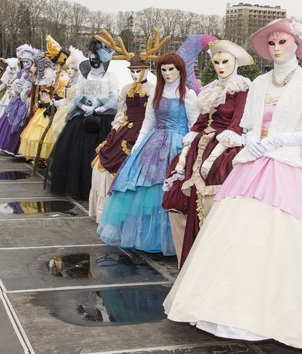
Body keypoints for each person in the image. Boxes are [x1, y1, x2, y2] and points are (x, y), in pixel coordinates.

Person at [163, 18, 302, 351]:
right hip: (254, 164)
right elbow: (250, 124)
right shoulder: (260, 83)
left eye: (282, 42)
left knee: (295, 236)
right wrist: (253, 140)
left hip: (290, 164)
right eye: (271, 43)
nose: (276, 47)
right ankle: (232, 309)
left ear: (297, 44)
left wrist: (275, 142)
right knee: (239, 232)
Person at [97, 52, 199, 256]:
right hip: (153, 143)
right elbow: (148, 122)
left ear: (180, 70)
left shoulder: (188, 94)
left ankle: (170, 239)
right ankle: (145, 235)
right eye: (164, 69)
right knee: (144, 189)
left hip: (178, 145)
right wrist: (137, 148)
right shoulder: (156, 92)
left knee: (167, 189)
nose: (168, 73)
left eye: (172, 69)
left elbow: (195, 124)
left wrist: (188, 149)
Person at [162, 40, 252, 267]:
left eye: (225, 61)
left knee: (216, 200)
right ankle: (192, 260)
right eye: (216, 62)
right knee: (183, 195)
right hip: (200, 146)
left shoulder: (242, 88)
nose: (221, 66)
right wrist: (191, 137)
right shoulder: (211, 88)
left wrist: (215, 153)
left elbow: (238, 123)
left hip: (226, 147)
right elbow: (202, 119)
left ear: (235, 62)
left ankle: (217, 264)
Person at [49, 38, 119, 199]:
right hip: (82, 119)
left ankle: (98, 188)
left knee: (99, 152)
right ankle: (80, 186)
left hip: (104, 119)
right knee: (78, 154)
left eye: (97, 59)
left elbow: (115, 96)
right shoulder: (84, 76)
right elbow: (78, 95)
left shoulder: (110, 76)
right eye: (92, 58)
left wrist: (101, 108)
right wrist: (84, 107)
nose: (94, 62)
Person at [89, 55, 153, 223]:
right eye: (132, 71)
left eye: (138, 71)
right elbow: (120, 113)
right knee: (103, 163)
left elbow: (153, 116)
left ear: (147, 70)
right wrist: (115, 129)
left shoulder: (153, 90)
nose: (135, 75)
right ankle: (106, 211)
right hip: (126, 129)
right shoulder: (126, 89)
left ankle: (130, 216)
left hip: (144, 132)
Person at [0, 45, 41, 156]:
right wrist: (14, 89)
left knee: (21, 121)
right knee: (8, 118)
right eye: (24, 62)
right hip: (16, 99)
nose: (25, 64)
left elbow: (35, 87)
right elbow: (11, 83)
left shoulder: (34, 74)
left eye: (27, 62)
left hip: (26, 101)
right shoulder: (21, 73)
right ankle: (5, 144)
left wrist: (26, 92)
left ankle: (17, 148)